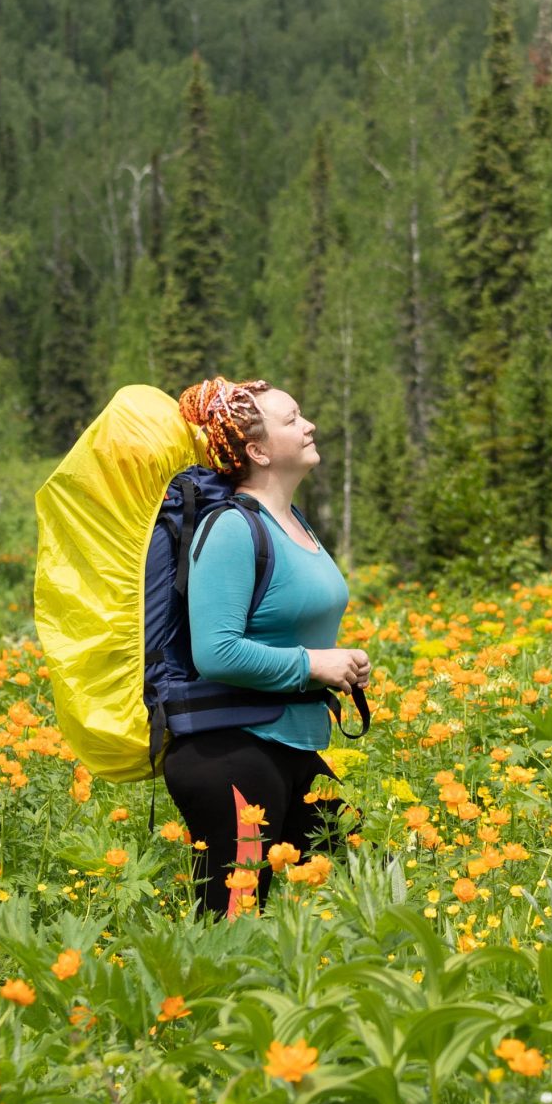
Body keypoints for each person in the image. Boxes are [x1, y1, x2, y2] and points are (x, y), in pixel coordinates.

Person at [166, 376, 369, 917]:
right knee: (232, 923)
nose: (310, 426)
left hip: (290, 748)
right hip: (229, 752)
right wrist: (313, 664)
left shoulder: (293, 521)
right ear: (257, 451)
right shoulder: (231, 528)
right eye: (292, 419)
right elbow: (217, 652)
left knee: (366, 890)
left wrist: (338, 663)